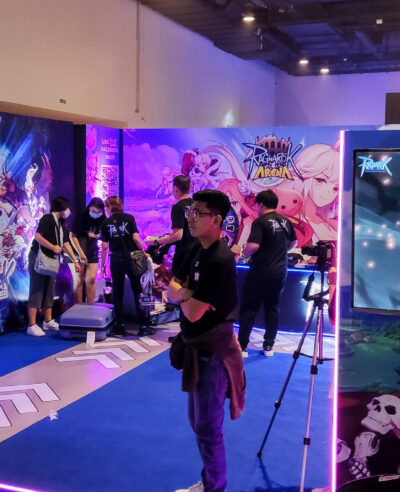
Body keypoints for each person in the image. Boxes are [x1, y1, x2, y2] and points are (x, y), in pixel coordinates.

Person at [168, 190, 245, 492]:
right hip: (195, 348)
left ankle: (214, 487)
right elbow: (171, 288)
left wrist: (184, 295)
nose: (191, 218)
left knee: (208, 428)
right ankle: (210, 481)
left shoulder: (220, 259)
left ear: (216, 219)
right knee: (198, 423)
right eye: (191, 212)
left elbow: (193, 312)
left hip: (214, 353)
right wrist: (187, 293)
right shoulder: (195, 249)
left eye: (198, 213)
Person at [238, 189, 297, 358]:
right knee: (273, 308)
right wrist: (281, 251)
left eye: (256, 204)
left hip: (261, 271)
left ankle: (242, 346)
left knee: (249, 308)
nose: (256, 208)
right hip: (280, 271)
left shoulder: (260, 222)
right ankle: (269, 345)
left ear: (261, 204)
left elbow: (253, 246)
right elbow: (294, 242)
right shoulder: (286, 221)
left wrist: (243, 253)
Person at [27, 196, 81, 337]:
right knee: (37, 289)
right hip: (38, 257)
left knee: (50, 289)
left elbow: (66, 243)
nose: (68, 210)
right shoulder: (47, 218)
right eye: (67, 207)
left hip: (51, 260)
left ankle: (48, 321)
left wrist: (75, 260)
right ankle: (31, 325)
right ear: (62, 208)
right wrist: (53, 247)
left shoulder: (61, 224)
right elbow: (38, 236)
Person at [100, 195, 149, 336]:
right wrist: (143, 252)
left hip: (115, 260)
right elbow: (136, 238)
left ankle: (120, 325)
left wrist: (102, 265)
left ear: (109, 207)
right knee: (137, 289)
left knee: (117, 292)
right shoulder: (129, 218)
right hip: (132, 259)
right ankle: (143, 325)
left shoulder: (105, 223)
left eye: (106, 207)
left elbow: (104, 246)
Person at [146, 174, 194, 274]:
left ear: (175, 188)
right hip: (197, 252)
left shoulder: (177, 207)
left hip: (184, 254)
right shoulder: (195, 204)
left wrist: (156, 241)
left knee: (177, 282)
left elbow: (178, 235)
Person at [69, 197, 106, 303]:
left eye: (98, 212)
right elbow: (72, 235)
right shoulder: (82, 216)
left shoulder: (103, 220)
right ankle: (79, 305)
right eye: (93, 211)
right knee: (79, 279)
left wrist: (94, 236)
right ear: (89, 207)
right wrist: (80, 253)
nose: (95, 214)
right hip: (78, 249)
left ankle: (90, 306)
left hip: (92, 250)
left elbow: (104, 239)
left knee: (91, 279)